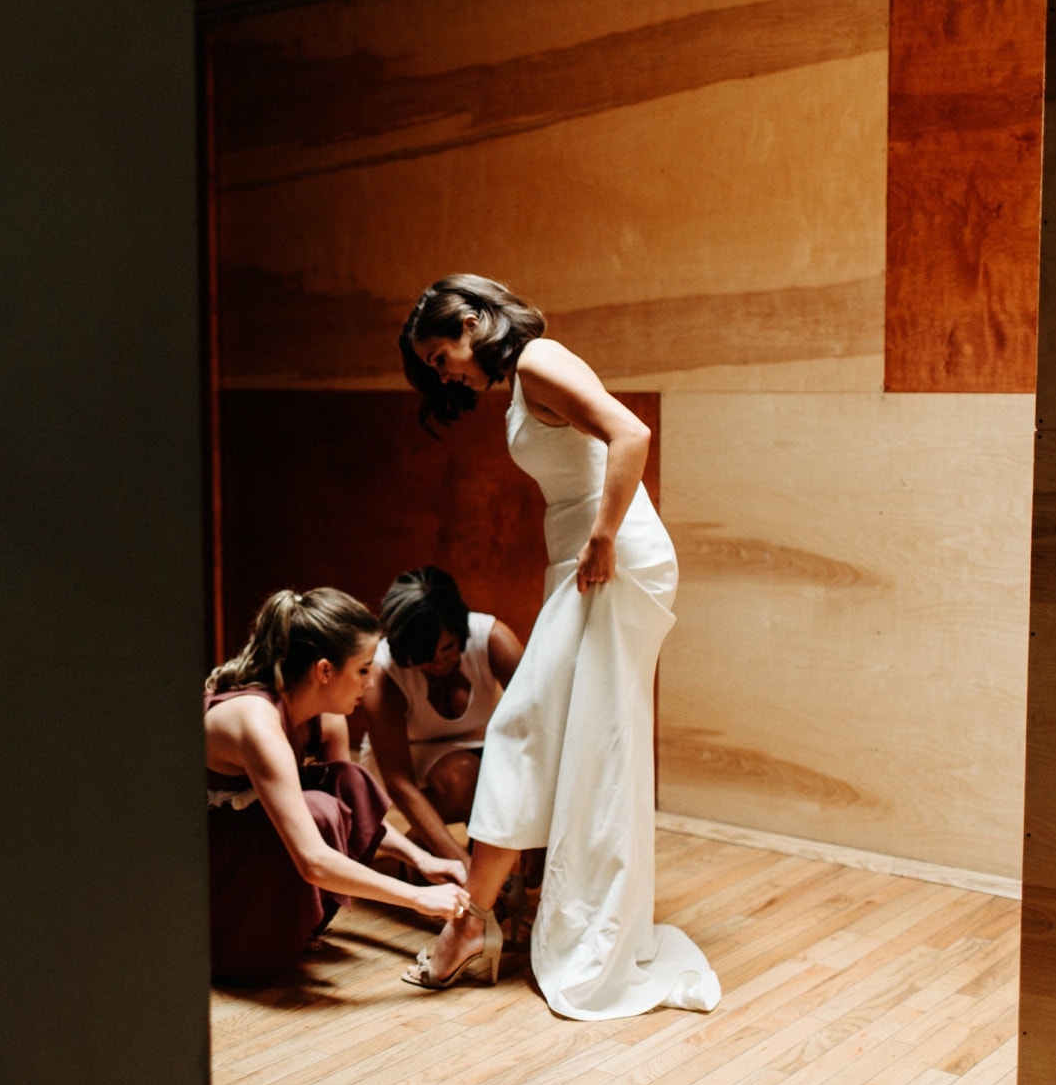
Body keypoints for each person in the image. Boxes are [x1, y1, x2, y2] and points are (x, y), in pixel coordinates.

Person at [395, 274, 720, 1019]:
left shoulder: (540, 359)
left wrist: (603, 536)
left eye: (443, 355)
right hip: (583, 557)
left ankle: (468, 926)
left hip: (609, 554)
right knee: (575, 742)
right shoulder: (521, 382)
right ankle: (506, 917)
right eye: (436, 367)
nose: (445, 374)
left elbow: (630, 433)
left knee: (521, 730)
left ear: (475, 320)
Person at [205, 587, 472, 985]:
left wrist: (422, 860)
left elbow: (356, 818)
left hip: (245, 839)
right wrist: (417, 897)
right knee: (318, 811)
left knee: (348, 783)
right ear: (325, 670)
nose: (370, 682)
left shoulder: (326, 717)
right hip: (199, 864)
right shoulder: (256, 721)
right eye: (363, 669)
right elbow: (313, 860)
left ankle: (292, 929)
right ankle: (244, 945)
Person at [364, 566, 523, 868]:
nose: (439, 663)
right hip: (413, 759)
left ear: (460, 630)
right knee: (464, 776)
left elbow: (539, 730)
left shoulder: (493, 638)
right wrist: (461, 868)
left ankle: (453, 853)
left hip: (486, 751)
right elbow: (399, 782)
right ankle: (416, 850)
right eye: (424, 657)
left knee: (502, 771)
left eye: (448, 648)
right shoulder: (383, 673)